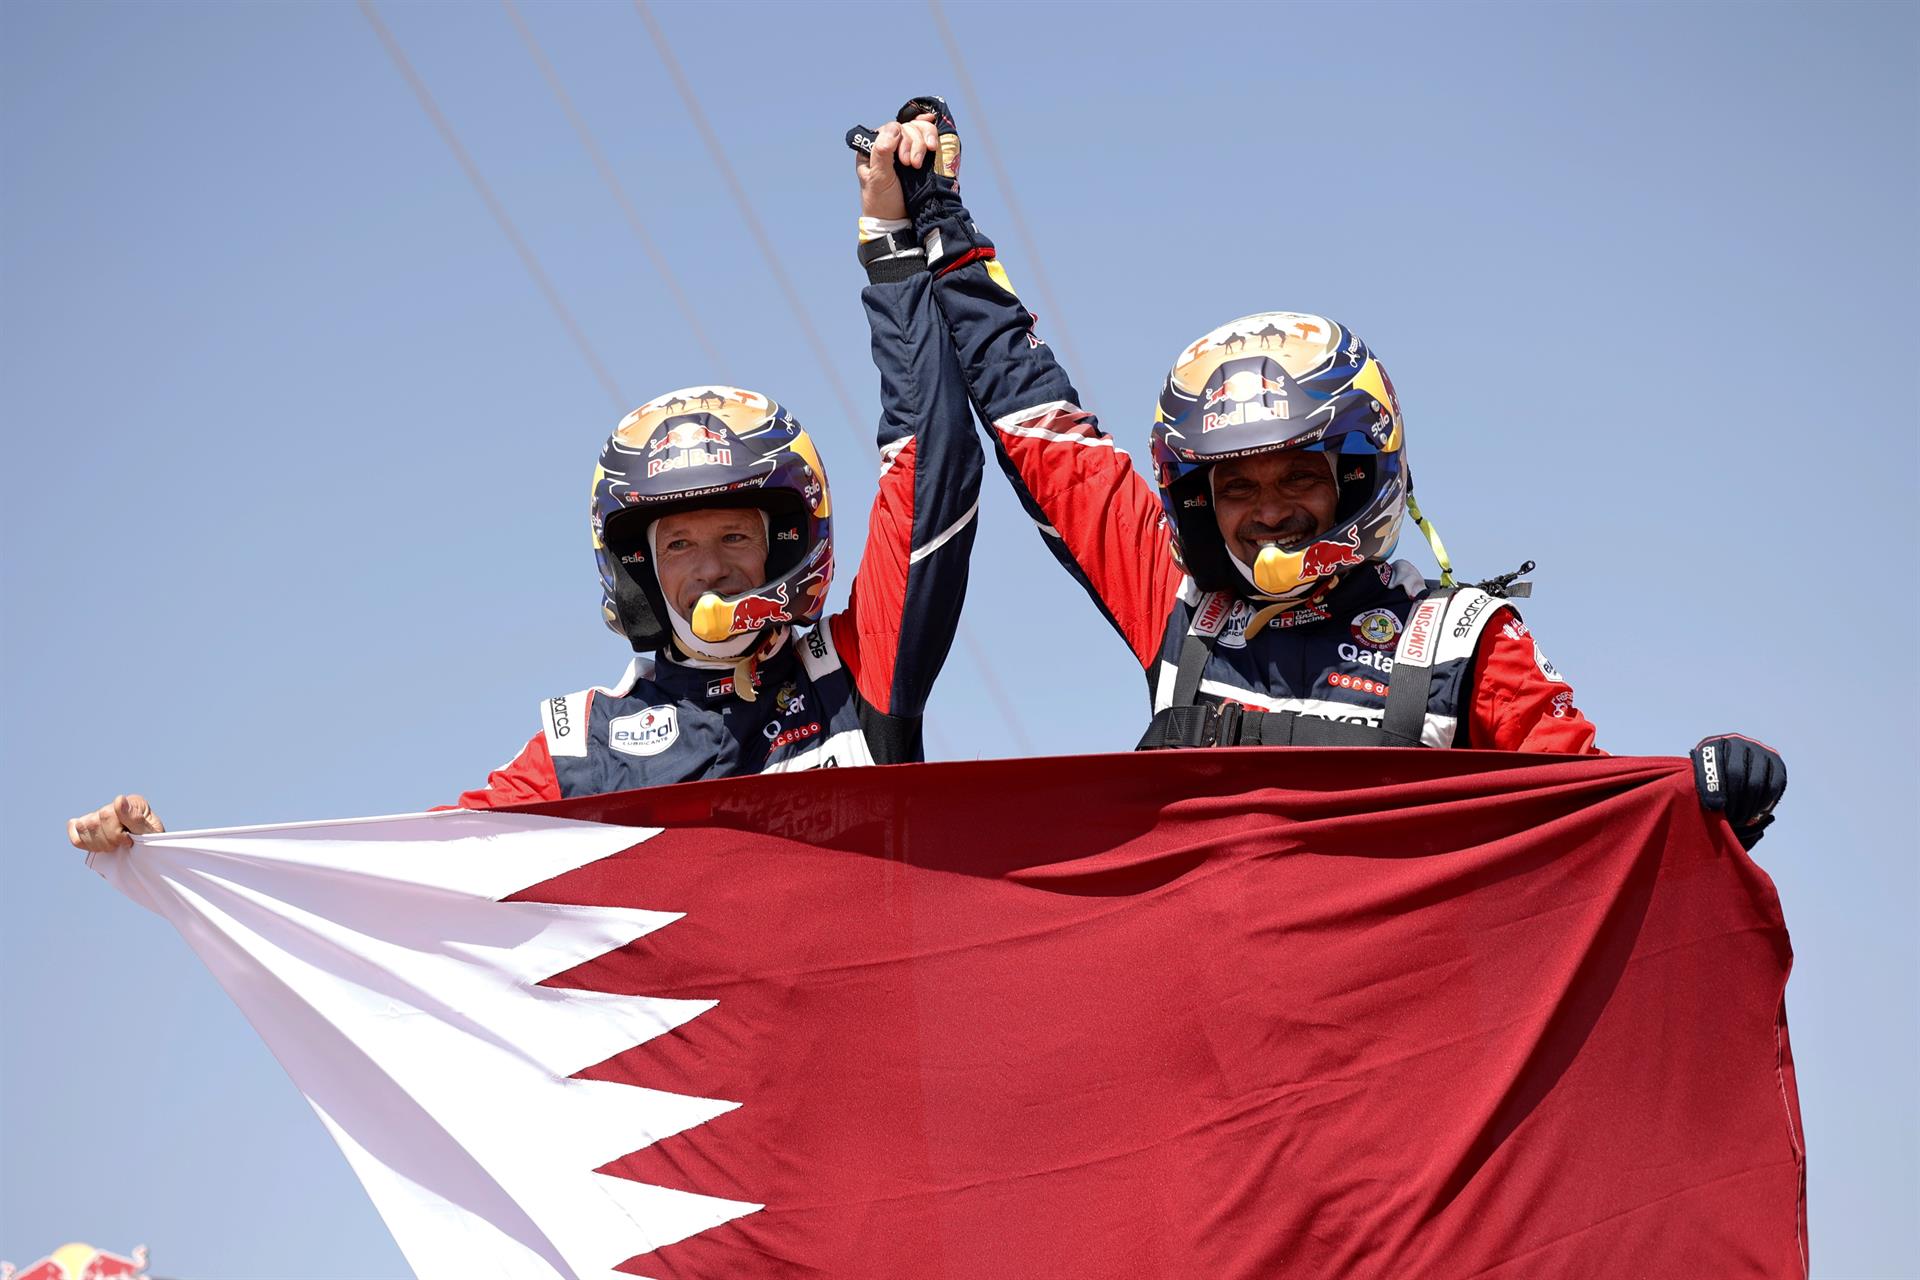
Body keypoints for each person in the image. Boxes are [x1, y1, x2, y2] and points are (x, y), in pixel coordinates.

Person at [871, 97, 1786, 847]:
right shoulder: (1179, 603)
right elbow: (1042, 429)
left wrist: (1711, 801)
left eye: (1296, 478)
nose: (1268, 512)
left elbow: (1596, 822)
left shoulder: (1463, 643)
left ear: (1359, 474)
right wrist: (943, 232)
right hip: (1195, 1044)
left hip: (1396, 1051)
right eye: (1236, 487)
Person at [66, 119, 981, 850]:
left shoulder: (855, 672)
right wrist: (171, 858)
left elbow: (932, 467)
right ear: (635, 569)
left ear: (788, 539)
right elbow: (408, 882)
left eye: (734, 535)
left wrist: (895, 243)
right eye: (678, 544)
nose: (709, 568)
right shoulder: (581, 749)